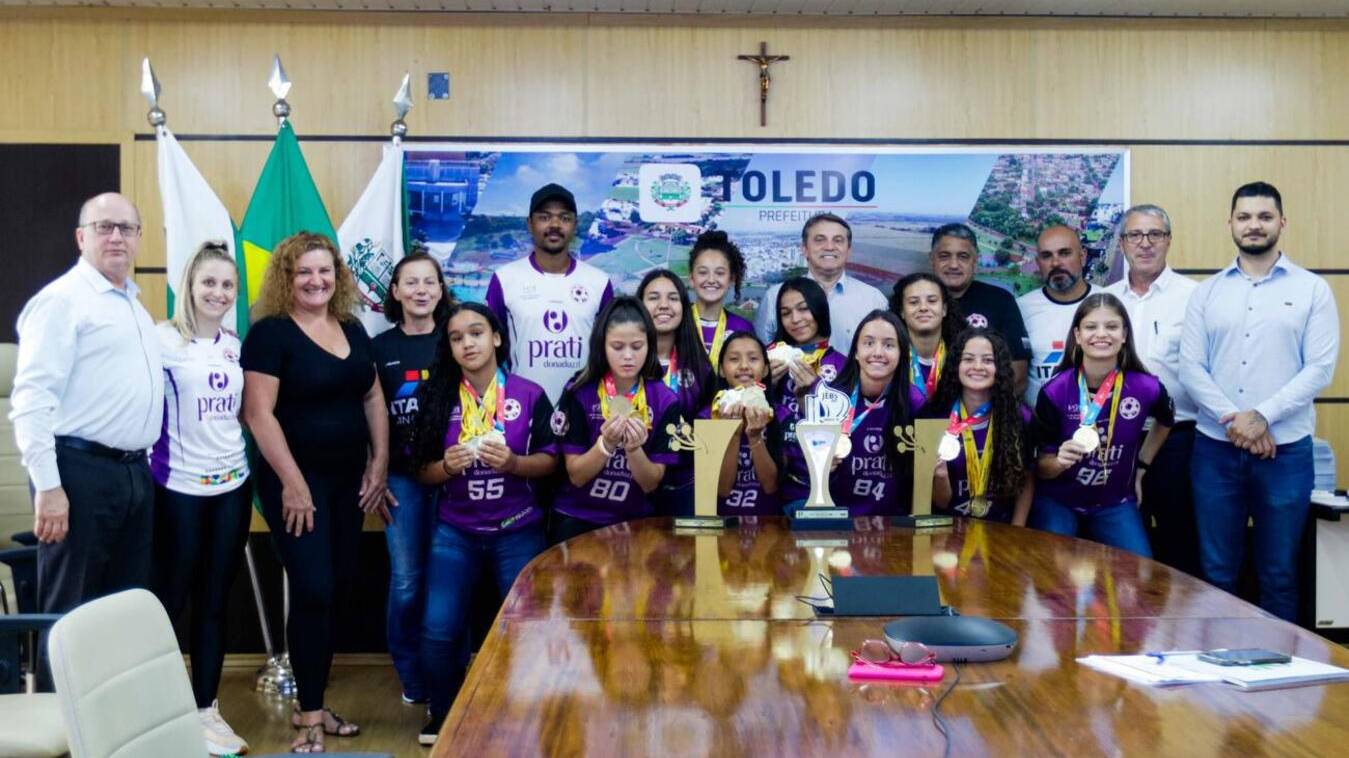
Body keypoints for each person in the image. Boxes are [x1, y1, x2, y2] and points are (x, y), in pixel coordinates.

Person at [240, 232, 393, 753]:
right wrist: (294, 483)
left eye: (325, 271)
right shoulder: (269, 334)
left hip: (347, 482)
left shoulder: (350, 326)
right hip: (292, 486)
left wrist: (380, 462)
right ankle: (306, 717)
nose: (316, 280)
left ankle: (315, 701)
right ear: (286, 277)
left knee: (338, 588)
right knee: (313, 590)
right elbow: (257, 414)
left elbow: (372, 395)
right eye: (304, 272)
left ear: (338, 276)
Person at [1180, 182, 1339, 622]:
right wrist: (1238, 421)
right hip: (1215, 450)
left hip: (1285, 452)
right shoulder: (1207, 292)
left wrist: (1263, 417)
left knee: (1280, 573)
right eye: (1245, 217)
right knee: (1215, 572)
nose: (1254, 225)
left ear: (1281, 223)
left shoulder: (1312, 290)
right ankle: (1218, 675)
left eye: (1264, 217)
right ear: (1230, 223)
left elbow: (1319, 369)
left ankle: (1280, 679)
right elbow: (1191, 367)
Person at [407, 303, 557, 743]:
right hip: (457, 531)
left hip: (518, 528)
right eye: (456, 338)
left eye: (476, 333)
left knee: (526, 628)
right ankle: (444, 714)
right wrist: (446, 468)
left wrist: (514, 463)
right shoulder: (435, 398)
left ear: (495, 338)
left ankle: (523, 709)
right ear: (449, 348)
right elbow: (421, 471)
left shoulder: (529, 395)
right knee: (439, 627)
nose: (467, 343)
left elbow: (552, 461)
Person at [10, 192, 162, 613]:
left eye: (126, 228)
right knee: (70, 613)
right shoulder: (63, 301)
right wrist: (49, 486)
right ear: (81, 237)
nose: (116, 237)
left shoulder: (133, 305)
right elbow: (30, 400)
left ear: (138, 238)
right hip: (78, 476)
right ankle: (55, 684)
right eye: (104, 227)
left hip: (133, 474)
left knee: (123, 611)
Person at [147, 242, 251, 756]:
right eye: (208, 282)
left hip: (231, 486)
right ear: (188, 285)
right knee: (170, 601)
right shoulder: (161, 341)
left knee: (215, 601)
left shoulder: (235, 344)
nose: (218, 292)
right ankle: (159, 712)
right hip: (178, 490)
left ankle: (206, 709)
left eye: (227, 285)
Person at [368, 252, 452, 707]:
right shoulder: (378, 349)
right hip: (400, 481)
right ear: (396, 292)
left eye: (430, 282)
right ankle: (410, 673)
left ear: (441, 290)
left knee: (449, 579)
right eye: (411, 282)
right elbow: (367, 414)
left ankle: (448, 671)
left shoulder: (454, 340)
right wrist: (375, 472)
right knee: (406, 581)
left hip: (452, 479)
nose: (421, 290)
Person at [1030, 294, 1173, 557]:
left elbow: (1166, 421)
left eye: (1111, 326)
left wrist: (1142, 466)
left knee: (1140, 573)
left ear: (1124, 334)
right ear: (1078, 335)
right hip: (1060, 501)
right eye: (1091, 327)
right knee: (1049, 576)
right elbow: (1041, 468)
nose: (1101, 334)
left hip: (1114, 502)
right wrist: (1059, 461)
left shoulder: (1146, 387)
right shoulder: (1054, 391)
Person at [1102, 204, 1200, 573]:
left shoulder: (1196, 297)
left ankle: (1181, 630)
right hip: (1118, 438)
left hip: (1178, 438)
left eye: (1154, 234)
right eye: (1135, 235)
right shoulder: (1105, 300)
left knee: (1181, 541)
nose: (1145, 243)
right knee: (1125, 549)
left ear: (1168, 240)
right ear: (1123, 243)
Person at [552, 297, 681, 541]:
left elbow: (651, 484)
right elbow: (577, 476)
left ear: (649, 346)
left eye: (637, 346)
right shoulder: (578, 392)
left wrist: (633, 449)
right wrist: (606, 445)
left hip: (637, 519)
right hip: (578, 516)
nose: (628, 356)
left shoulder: (665, 400)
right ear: (602, 346)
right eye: (618, 347)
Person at [485, 183, 614, 404]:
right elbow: (490, 351)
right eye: (545, 217)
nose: (555, 224)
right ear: (530, 224)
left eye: (564, 218)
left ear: (575, 224)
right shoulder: (505, 279)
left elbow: (610, 352)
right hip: (523, 410)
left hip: (584, 410)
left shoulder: (599, 283)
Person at [925, 329, 1034, 525]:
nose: (977, 367)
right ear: (956, 365)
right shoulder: (935, 417)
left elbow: (1025, 479)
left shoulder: (1019, 417)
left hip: (1001, 529)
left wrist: (1017, 530)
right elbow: (940, 503)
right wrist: (940, 475)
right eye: (968, 359)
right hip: (949, 529)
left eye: (987, 360)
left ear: (999, 367)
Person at [638, 269, 714, 517]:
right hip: (634, 482)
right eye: (653, 298)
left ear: (684, 306)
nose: (663, 305)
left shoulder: (699, 365)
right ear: (639, 305)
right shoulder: (624, 363)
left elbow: (711, 415)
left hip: (685, 485)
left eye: (672, 298)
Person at [753, 213, 888, 352]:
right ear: (804, 249)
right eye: (819, 240)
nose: (829, 247)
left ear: (848, 250)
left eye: (838, 240)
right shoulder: (775, 297)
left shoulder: (873, 300)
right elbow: (761, 356)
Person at [767, 277, 849, 506]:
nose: (795, 320)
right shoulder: (768, 358)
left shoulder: (843, 366)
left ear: (819, 309)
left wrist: (813, 394)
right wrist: (765, 388)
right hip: (771, 483)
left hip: (826, 487)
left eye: (804, 309)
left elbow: (848, 427)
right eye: (785, 313)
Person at [826, 310, 913, 516]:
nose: (878, 352)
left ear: (902, 354)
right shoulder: (832, 400)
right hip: (838, 522)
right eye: (868, 343)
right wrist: (821, 465)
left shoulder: (914, 401)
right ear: (855, 351)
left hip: (895, 525)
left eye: (889, 345)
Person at [927, 222, 1030, 397]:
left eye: (963, 256)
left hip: (984, 418)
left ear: (975, 261)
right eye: (944, 256)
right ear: (931, 259)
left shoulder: (1001, 301)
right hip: (928, 417)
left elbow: (1018, 376)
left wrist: (974, 413)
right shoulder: (914, 304)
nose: (953, 265)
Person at [1017, 224, 1096, 407]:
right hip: (1040, 430)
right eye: (1046, 256)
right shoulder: (1020, 308)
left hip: (1101, 426)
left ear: (1082, 256)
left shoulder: (1109, 303)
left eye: (1065, 253)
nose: (1055, 263)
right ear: (1038, 263)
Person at [708, 331, 782, 516]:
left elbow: (771, 486)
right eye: (734, 359)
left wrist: (755, 437)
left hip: (769, 525)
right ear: (722, 370)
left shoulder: (781, 415)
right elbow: (722, 490)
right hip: (724, 523)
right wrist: (732, 434)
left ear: (765, 369)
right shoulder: (707, 416)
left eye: (753, 358)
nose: (743, 366)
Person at [890, 272, 963, 413]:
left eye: (932, 301)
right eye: (913, 302)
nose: (923, 308)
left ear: (944, 309)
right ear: (902, 312)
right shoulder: (890, 358)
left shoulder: (963, 357)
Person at [687, 230, 755, 366]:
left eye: (719, 273)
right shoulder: (678, 323)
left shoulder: (742, 328)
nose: (711, 280)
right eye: (703, 272)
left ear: (732, 279)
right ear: (691, 278)